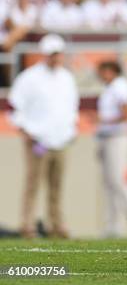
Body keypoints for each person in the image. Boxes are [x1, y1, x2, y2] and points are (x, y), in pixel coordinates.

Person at [8, 34, 79, 238]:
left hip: (61, 139)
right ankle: (27, 224)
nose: (56, 58)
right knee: (33, 184)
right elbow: (14, 107)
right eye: (52, 54)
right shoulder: (29, 78)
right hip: (37, 140)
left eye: (58, 54)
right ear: (45, 54)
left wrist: (71, 128)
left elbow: (72, 106)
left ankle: (55, 224)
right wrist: (24, 130)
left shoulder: (66, 77)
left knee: (56, 185)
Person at [95, 60, 127, 238]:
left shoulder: (120, 86)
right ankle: (113, 225)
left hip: (117, 138)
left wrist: (104, 122)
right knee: (108, 183)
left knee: (119, 180)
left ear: (110, 71)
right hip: (106, 138)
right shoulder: (109, 88)